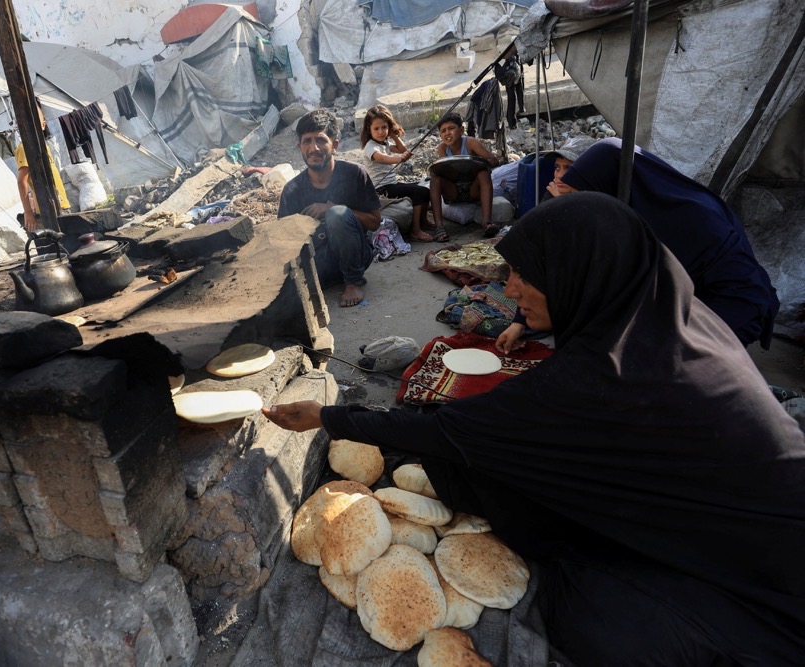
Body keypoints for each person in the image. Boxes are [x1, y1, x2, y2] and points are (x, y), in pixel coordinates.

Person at [264, 193, 805, 666]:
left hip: (765, 571)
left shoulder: (596, 380)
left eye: (526, 275)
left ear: (580, 275)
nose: (510, 288)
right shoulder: (675, 320)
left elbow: (452, 432)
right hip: (743, 517)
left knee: (595, 619)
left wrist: (327, 416)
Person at [559, 137, 779, 348]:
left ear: (611, 181)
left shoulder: (688, 215)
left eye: (588, 192)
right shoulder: (640, 210)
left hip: (730, 310)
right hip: (689, 306)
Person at [495, 135, 595, 353]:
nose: (560, 175)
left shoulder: (608, 205)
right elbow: (535, 252)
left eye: (569, 168)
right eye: (557, 168)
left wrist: (565, 206)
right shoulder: (554, 193)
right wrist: (519, 322)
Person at [278, 108, 381, 307]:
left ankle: (353, 282)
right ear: (300, 147)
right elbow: (283, 241)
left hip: (357, 255)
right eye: (307, 141)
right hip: (318, 263)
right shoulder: (291, 190)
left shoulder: (354, 174)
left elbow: (375, 222)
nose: (313, 148)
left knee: (337, 213)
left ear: (334, 146)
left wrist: (332, 208)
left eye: (320, 140)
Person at [360, 105, 433, 242]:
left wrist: (394, 135)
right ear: (369, 129)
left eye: (384, 127)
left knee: (426, 188)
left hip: (392, 184)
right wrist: (399, 159)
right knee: (418, 192)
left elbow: (402, 149)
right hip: (382, 188)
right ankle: (415, 231)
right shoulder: (370, 147)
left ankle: (423, 221)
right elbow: (382, 158)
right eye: (376, 128)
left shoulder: (384, 143)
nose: (381, 132)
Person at [429, 112, 500, 240]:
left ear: (461, 130)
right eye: (443, 131)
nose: (447, 133)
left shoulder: (470, 143)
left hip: (473, 190)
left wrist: (476, 167)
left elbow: (494, 160)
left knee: (484, 174)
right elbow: (446, 173)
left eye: (451, 128)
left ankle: (487, 223)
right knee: (435, 181)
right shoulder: (442, 148)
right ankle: (439, 227)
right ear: (440, 135)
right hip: (453, 192)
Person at [15, 98, 71, 232]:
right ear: (18, 125)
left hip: (61, 204)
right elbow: (21, 181)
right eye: (26, 124)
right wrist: (28, 212)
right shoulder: (24, 148)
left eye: (36, 123)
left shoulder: (44, 147)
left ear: (43, 125)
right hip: (47, 210)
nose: (32, 127)